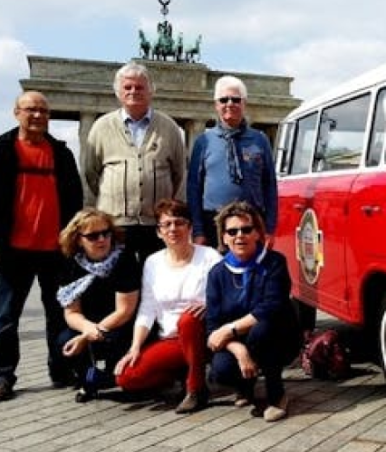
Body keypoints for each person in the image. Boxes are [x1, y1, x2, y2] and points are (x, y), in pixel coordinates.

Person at [0, 91, 83, 401]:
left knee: (58, 314)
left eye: (43, 111)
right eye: (31, 110)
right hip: (12, 250)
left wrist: (74, 240)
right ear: (16, 112)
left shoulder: (61, 154)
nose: (37, 116)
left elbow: (74, 199)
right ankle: (3, 376)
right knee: (5, 317)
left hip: (54, 251)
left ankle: (61, 369)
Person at [114, 199, 222, 414]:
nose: (173, 229)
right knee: (126, 377)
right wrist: (135, 347)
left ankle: (196, 389)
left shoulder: (209, 256)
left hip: (203, 334)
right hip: (171, 340)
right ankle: (183, 371)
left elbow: (225, 295)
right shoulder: (152, 262)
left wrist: (210, 306)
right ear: (158, 232)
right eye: (167, 224)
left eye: (179, 223)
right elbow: (147, 308)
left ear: (190, 227)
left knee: (188, 319)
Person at [81, 61, 187, 265]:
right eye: (127, 87)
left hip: (157, 224)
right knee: (118, 282)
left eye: (139, 87)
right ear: (118, 92)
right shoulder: (101, 127)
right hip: (114, 223)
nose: (133, 91)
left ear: (151, 91)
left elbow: (179, 174)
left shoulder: (169, 127)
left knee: (155, 282)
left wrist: (173, 215)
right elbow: (90, 173)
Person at [206, 201, 302, 422]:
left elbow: (271, 307)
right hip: (239, 339)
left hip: (278, 335)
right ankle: (245, 385)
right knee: (220, 371)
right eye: (232, 231)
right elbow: (212, 326)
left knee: (262, 329)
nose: (240, 236)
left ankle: (277, 395)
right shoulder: (217, 274)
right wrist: (239, 351)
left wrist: (230, 329)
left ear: (258, 233)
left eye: (246, 229)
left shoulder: (275, 262)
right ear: (224, 238)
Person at [55, 208, 139, 402]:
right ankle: (87, 380)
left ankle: (111, 377)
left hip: (121, 323)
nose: (102, 239)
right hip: (90, 323)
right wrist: (88, 329)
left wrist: (88, 336)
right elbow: (71, 312)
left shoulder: (123, 259)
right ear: (78, 239)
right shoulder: (70, 264)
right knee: (64, 340)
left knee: (108, 340)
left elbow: (125, 311)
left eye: (106, 233)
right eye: (93, 236)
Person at [187, 75, 278, 248]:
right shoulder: (203, 142)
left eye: (235, 100)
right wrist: (198, 230)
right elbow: (193, 188)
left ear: (244, 103)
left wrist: (270, 229)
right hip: (212, 224)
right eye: (224, 100)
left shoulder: (260, 140)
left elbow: (270, 186)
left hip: (251, 223)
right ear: (216, 105)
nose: (230, 104)